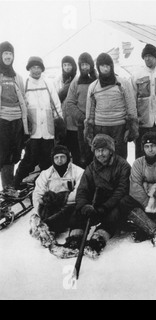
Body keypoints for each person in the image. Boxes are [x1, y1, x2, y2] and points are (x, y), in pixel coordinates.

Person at [64, 134, 132, 258]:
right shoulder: (91, 168)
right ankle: (74, 240)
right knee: (77, 213)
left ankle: (97, 241)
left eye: (103, 150)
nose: (100, 154)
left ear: (111, 151)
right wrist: (84, 206)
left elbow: (121, 190)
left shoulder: (122, 166)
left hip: (112, 204)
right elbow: (82, 190)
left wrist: (105, 207)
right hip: (96, 202)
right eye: (97, 151)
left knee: (112, 218)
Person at [13, 56, 62, 190]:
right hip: (33, 131)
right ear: (29, 69)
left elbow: (56, 105)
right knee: (29, 159)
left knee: (47, 160)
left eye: (38, 67)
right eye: (33, 67)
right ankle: (15, 184)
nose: (36, 70)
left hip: (48, 129)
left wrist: (59, 122)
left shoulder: (48, 83)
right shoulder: (25, 84)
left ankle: (42, 186)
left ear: (42, 69)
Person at [84, 53, 138, 160]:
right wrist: (89, 130)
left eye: (107, 66)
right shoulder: (93, 86)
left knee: (120, 157)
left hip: (119, 127)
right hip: (100, 127)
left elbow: (131, 106)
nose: (105, 69)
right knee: (102, 156)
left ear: (112, 67)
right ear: (98, 68)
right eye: (102, 66)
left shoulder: (123, 83)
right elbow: (89, 110)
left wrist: (132, 127)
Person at [29, 145, 84, 248]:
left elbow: (79, 193)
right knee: (46, 207)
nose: (59, 160)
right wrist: (40, 210)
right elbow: (37, 194)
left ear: (68, 157)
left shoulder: (78, 172)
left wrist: (61, 198)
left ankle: (71, 237)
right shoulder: (46, 174)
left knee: (76, 211)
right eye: (56, 157)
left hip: (69, 206)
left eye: (62, 157)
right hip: (52, 207)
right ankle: (48, 233)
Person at [0, 41, 28, 190]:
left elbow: (23, 99)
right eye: (5, 53)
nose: (8, 56)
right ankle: (7, 188)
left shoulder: (18, 77)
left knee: (14, 155)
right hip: (2, 120)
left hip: (16, 120)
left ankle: (9, 186)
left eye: (10, 54)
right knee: (3, 156)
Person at [65, 52, 97, 168]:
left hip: (97, 124)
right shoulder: (76, 82)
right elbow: (70, 103)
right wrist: (82, 118)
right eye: (82, 65)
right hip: (80, 126)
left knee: (96, 155)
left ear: (91, 65)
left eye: (87, 65)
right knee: (81, 157)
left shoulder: (98, 81)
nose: (84, 67)